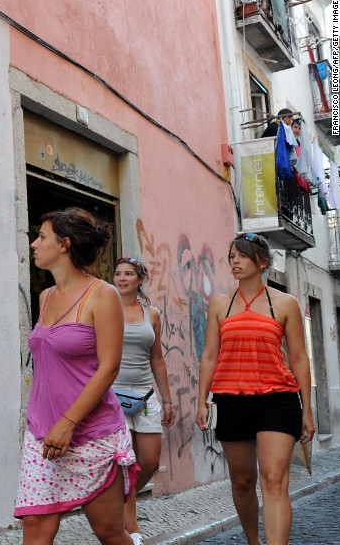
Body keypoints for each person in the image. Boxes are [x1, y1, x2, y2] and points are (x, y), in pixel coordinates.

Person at [16, 207, 138, 545]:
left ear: (64, 245)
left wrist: (68, 421)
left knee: (110, 532)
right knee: (35, 529)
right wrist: (52, 424)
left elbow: (109, 366)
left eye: (41, 237)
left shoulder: (102, 294)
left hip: (91, 434)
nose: (34, 245)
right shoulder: (46, 296)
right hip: (42, 433)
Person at [196, 232, 314, 545]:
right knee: (243, 480)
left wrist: (308, 410)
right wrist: (201, 401)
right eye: (231, 256)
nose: (234, 261)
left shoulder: (285, 303)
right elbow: (209, 354)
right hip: (231, 400)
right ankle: (253, 541)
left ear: (261, 262)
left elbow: (300, 358)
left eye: (241, 255)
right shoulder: (221, 304)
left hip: (278, 399)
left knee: (274, 480)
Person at [110, 257, 174, 543]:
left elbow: (157, 359)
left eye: (128, 274)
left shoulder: (153, 314)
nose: (122, 278)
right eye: (118, 273)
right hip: (112, 397)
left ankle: (116, 504)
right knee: (128, 463)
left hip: (146, 395)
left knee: (149, 461)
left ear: (140, 279)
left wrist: (168, 400)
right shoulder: (105, 309)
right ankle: (131, 528)